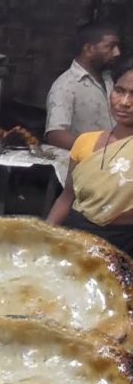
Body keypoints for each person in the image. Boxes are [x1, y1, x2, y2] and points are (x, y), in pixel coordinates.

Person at [47, 58, 133, 256]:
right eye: (119, 91)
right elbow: (67, 197)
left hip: (124, 247)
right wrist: (46, 237)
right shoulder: (85, 142)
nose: (125, 102)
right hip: (77, 240)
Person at [45, 23, 121, 150]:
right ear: (88, 49)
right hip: (87, 163)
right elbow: (56, 135)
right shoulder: (66, 85)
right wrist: (98, 148)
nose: (117, 52)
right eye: (110, 46)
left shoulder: (111, 80)